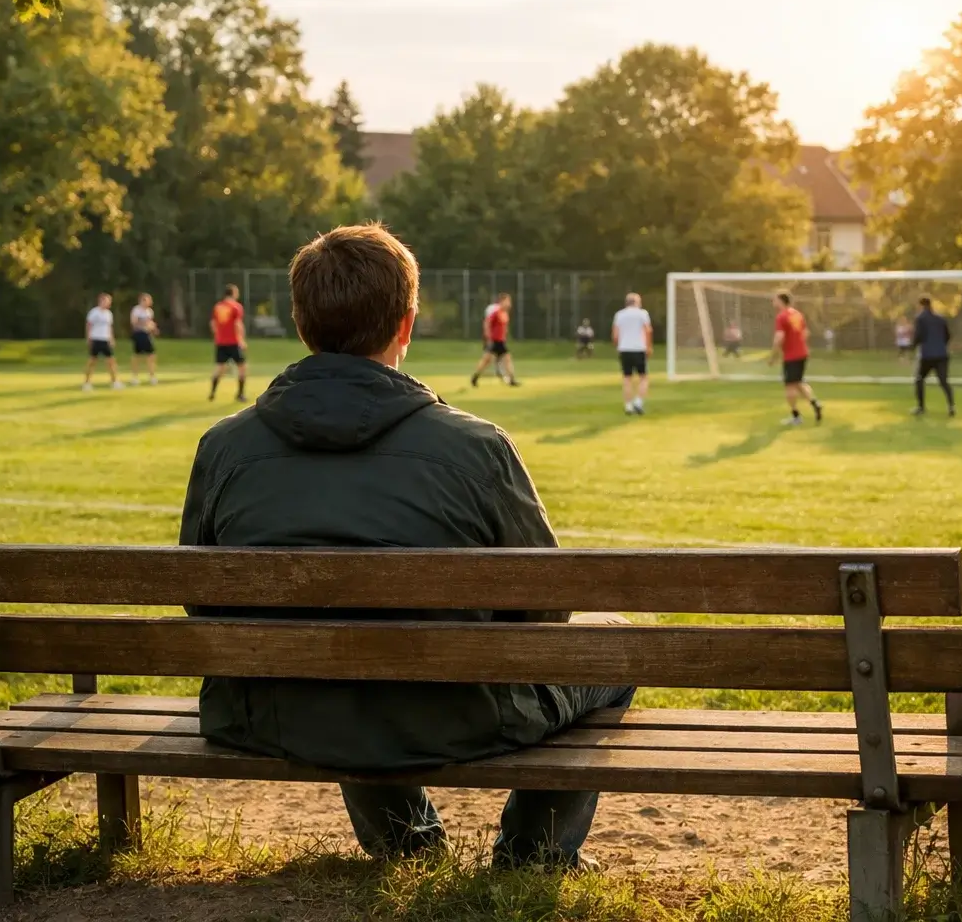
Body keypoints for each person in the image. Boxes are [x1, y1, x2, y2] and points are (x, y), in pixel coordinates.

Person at [181, 223, 633, 869]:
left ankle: (407, 845)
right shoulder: (475, 446)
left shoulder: (224, 447)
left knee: (341, 648)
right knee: (612, 644)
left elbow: (205, 605)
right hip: (458, 716)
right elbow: (546, 612)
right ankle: (534, 853)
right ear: (407, 325)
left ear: (302, 322)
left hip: (276, 713)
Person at [768, 292, 822, 426]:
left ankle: (796, 417)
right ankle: (815, 404)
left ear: (781, 301)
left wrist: (773, 356)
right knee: (798, 382)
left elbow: (779, 337)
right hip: (802, 354)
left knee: (790, 386)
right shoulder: (797, 314)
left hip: (791, 356)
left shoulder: (782, 317)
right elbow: (805, 333)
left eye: (774, 300)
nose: (773, 302)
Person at [912, 296, 954, 417]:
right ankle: (951, 406)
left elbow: (918, 336)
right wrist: (940, 345)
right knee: (943, 381)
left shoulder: (920, 319)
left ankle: (921, 407)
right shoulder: (941, 319)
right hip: (942, 354)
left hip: (928, 355)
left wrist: (912, 347)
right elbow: (947, 336)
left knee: (919, 379)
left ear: (921, 305)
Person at [612, 293, 652, 415]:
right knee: (643, 377)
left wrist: (617, 345)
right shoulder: (642, 314)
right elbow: (648, 330)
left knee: (627, 378)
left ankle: (628, 405)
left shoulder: (619, 315)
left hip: (625, 349)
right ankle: (638, 402)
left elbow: (615, 334)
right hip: (639, 348)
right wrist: (649, 346)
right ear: (637, 302)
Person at [470, 293, 519, 387]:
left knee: (506, 358)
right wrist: (488, 337)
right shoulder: (496, 312)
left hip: (500, 341)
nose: (509, 304)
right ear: (501, 301)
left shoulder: (505, 313)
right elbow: (487, 323)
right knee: (487, 361)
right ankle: (475, 377)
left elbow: (503, 328)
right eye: (507, 301)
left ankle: (512, 380)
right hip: (494, 341)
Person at [209, 284, 248, 402]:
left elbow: (213, 324)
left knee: (219, 368)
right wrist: (242, 340)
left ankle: (212, 393)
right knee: (242, 368)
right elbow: (237, 324)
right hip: (233, 342)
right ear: (234, 293)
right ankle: (240, 394)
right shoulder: (236, 307)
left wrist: (218, 335)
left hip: (220, 342)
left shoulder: (218, 307)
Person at [82, 293, 123, 391]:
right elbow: (89, 325)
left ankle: (115, 382)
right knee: (92, 362)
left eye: (109, 301)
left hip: (105, 339)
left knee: (111, 362)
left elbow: (109, 327)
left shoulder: (109, 314)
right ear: (101, 301)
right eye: (106, 301)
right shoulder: (94, 312)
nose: (108, 303)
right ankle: (87, 383)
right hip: (96, 339)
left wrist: (111, 338)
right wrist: (88, 338)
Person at [130, 293, 159, 385]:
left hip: (147, 334)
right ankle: (135, 377)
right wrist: (145, 323)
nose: (150, 302)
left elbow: (150, 323)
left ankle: (152, 376)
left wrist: (154, 329)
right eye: (148, 300)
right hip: (139, 333)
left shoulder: (149, 311)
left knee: (151, 355)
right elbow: (134, 322)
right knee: (137, 356)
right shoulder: (136, 310)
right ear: (142, 300)